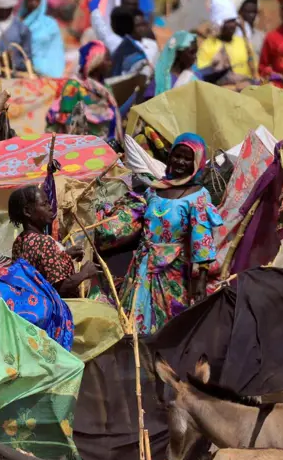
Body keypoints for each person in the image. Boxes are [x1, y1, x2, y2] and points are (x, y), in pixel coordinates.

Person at [87, 134, 223, 335]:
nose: (180, 162)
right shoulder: (153, 190)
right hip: (143, 267)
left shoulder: (198, 195)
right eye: (177, 155)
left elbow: (202, 240)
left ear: (197, 163)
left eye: (187, 159)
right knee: (134, 321)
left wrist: (201, 281)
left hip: (174, 271)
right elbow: (136, 224)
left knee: (170, 326)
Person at [9, 187, 99, 296]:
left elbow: (38, 268)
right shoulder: (44, 242)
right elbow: (59, 288)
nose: (50, 207)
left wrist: (63, 256)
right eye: (44, 204)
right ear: (27, 211)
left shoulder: (19, 241)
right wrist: (85, 273)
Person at [46, 41, 118, 139]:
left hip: (103, 141)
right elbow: (66, 120)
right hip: (79, 142)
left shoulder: (105, 88)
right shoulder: (73, 86)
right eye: (107, 59)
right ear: (96, 61)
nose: (110, 63)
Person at [197, 0, 256, 83]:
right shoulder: (208, 46)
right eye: (229, 22)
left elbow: (254, 68)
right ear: (220, 24)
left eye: (234, 21)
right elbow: (201, 75)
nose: (233, 25)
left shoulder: (242, 42)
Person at [21, 0, 65, 78]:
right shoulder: (19, 23)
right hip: (22, 70)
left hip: (47, 71)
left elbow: (56, 50)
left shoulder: (50, 24)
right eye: (29, 0)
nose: (33, 3)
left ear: (42, 1)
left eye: (37, 0)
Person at [107, 5, 152, 79]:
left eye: (143, 24)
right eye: (138, 25)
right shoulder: (120, 45)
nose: (141, 29)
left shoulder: (152, 45)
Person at [230, 0, 265, 64]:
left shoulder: (261, 37)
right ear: (239, 12)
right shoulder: (231, 36)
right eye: (248, 12)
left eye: (254, 12)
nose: (252, 15)